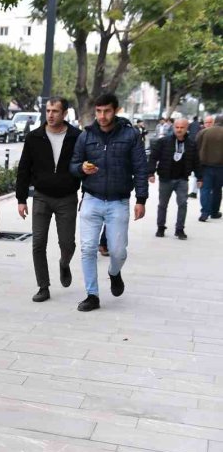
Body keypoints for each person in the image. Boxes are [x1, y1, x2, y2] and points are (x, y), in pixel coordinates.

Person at [69, 93, 148, 312]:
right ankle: (92, 295)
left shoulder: (131, 135)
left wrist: (141, 199)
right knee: (87, 249)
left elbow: (141, 168)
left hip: (118, 202)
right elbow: (73, 165)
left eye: (107, 111)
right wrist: (81, 169)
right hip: (91, 199)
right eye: (99, 111)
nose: (102, 116)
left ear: (116, 110)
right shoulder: (86, 136)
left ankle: (114, 273)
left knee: (118, 251)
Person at [16, 97, 82, 302]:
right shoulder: (34, 137)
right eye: (48, 111)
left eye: (55, 111)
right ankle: (43, 286)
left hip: (67, 197)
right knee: (38, 243)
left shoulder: (76, 136)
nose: (51, 115)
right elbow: (24, 168)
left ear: (64, 114)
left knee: (67, 243)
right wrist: (21, 198)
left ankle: (64, 263)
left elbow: (83, 166)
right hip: (41, 197)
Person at [149, 117, 201, 239]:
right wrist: (150, 173)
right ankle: (160, 227)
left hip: (182, 179)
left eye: (182, 127)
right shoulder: (163, 141)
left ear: (186, 128)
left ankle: (180, 229)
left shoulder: (192, 144)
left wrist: (200, 177)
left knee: (183, 204)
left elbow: (196, 162)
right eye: (177, 127)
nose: (179, 130)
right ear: (173, 127)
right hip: (165, 178)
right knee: (163, 204)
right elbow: (153, 157)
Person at [197, 114, 223, 222]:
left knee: (205, 189)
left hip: (205, 165)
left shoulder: (204, 132)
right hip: (221, 166)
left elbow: (196, 147)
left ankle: (204, 212)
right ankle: (214, 212)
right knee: (217, 190)